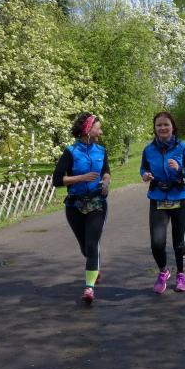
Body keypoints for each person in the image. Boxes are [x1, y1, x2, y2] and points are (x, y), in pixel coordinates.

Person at [52, 112, 111, 304]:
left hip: (97, 203)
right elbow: (56, 180)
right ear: (87, 130)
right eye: (98, 128)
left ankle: (89, 288)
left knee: (92, 245)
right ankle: (95, 266)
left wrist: (106, 182)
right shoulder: (71, 152)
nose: (101, 132)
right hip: (74, 205)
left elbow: (106, 171)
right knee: (86, 247)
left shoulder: (101, 151)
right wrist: (81, 178)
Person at [141, 111, 185, 294]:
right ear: (154, 128)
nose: (162, 128)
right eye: (159, 125)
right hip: (157, 198)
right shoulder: (148, 150)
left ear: (173, 127)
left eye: (166, 124)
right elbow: (143, 168)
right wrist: (145, 175)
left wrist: (180, 169)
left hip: (179, 198)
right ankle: (163, 271)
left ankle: (181, 274)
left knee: (178, 242)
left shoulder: (182, 147)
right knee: (156, 243)